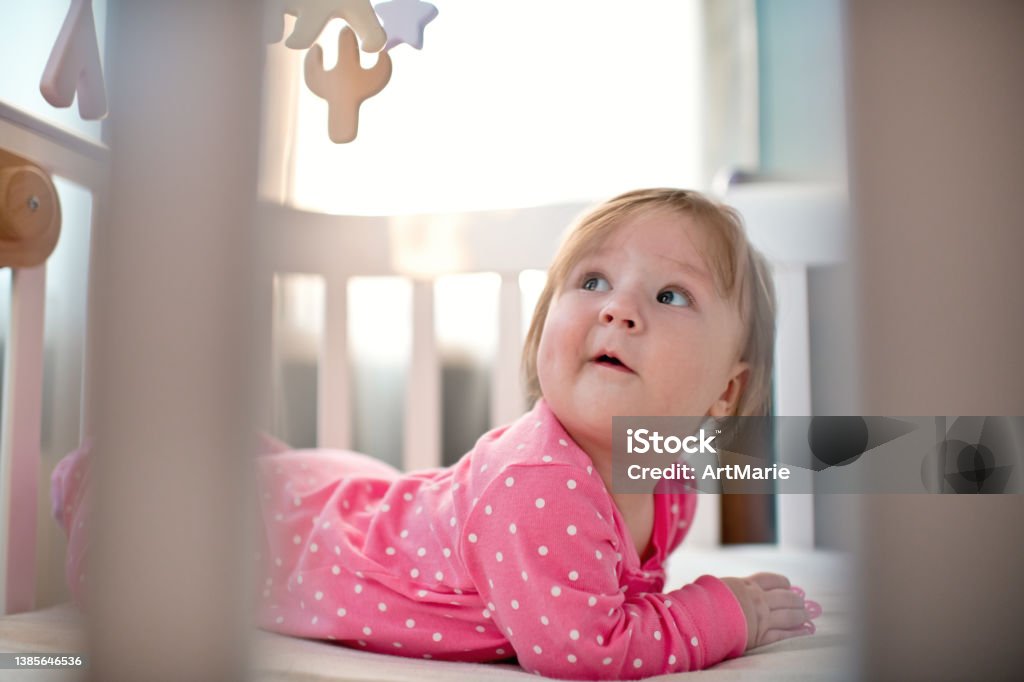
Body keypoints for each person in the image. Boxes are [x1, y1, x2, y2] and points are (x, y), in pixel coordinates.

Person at [52, 188, 820, 680]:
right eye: (591, 282)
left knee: (339, 488)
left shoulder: (666, 471)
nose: (617, 309)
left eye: (670, 293)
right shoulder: (538, 482)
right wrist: (728, 614)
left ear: (725, 392)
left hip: (363, 512)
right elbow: (587, 648)